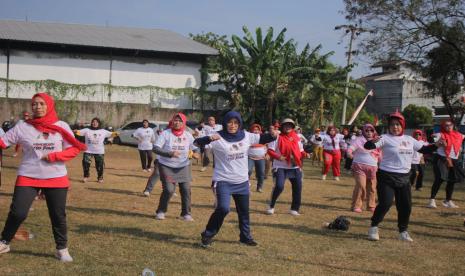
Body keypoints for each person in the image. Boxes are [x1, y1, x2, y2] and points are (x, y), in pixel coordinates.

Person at [0, 93, 86, 261]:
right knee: (18, 212)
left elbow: (74, 148)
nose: (37, 107)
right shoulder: (22, 126)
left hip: (56, 176)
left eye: (41, 104)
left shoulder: (61, 125)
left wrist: (54, 156)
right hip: (28, 175)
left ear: (49, 105)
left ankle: (61, 248)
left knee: (57, 214)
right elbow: (3, 142)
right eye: (34, 104)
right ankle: (4, 242)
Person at [195, 111, 277, 248]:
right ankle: (208, 234)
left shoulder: (246, 136)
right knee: (223, 208)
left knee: (244, 211)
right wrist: (208, 139)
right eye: (230, 122)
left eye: (236, 122)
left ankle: (245, 237)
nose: (232, 125)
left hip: (242, 182)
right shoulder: (217, 137)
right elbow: (197, 142)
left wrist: (273, 135)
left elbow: (263, 138)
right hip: (223, 181)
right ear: (225, 123)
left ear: (239, 124)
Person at [365, 111, 438, 242]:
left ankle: (403, 231)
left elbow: (424, 149)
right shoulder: (384, 138)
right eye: (392, 124)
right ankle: (374, 227)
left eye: (398, 124)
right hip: (386, 176)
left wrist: (437, 145)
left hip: (404, 177)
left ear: (402, 125)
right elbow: (369, 146)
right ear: (389, 126)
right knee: (385, 203)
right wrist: (371, 142)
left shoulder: (409, 140)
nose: (395, 127)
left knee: (405, 206)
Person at [153, 113, 200, 221]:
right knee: (169, 190)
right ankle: (161, 211)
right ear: (172, 121)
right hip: (166, 166)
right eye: (175, 120)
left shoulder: (188, 135)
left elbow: (195, 147)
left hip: (184, 166)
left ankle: (186, 213)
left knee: (186, 189)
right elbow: (155, 148)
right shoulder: (165, 134)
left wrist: (196, 153)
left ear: (184, 123)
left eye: (180, 121)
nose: (177, 122)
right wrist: (170, 153)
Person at [266, 118, 309, 216]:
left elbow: (301, 151)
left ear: (293, 127)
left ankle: (294, 209)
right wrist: (278, 157)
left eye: (290, 125)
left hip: (294, 166)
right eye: (286, 125)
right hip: (280, 166)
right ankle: (271, 205)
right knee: (279, 186)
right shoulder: (277, 137)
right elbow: (270, 150)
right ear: (282, 126)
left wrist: (305, 154)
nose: (288, 127)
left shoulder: (297, 137)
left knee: (298, 187)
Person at [428, 120, 465, 208]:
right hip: (441, 158)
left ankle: (448, 201)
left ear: (453, 126)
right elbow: (431, 139)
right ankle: (432, 200)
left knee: (452, 180)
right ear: (443, 126)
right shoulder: (440, 135)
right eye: (446, 125)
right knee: (440, 179)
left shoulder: (459, 135)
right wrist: (437, 141)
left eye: (450, 125)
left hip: (453, 160)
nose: (448, 127)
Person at [346, 124, 381, 213]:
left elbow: (380, 155)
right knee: (361, 186)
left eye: (371, 130)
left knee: (372, 188)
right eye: (367, 131)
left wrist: (382, 163)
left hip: (373, 168)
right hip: (359, 166)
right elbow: (350, 148)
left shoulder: (377, 141)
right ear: (363, 131)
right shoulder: (358, 140)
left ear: (374, 131)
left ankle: (371, 206)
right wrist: (349, 153)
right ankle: (356, 206)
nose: (369, 132)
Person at [75, 117, 115, 183]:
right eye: (93, 122)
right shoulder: (87, 130)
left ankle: (100, 177)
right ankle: (86, 176)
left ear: (98, 123)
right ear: (91, 123)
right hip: (88, 150)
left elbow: (111, 134)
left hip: (99, 151)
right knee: (85, 163)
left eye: (96, 122)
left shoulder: (103, 131)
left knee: (100, 165)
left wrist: (116, 134)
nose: (94, 123)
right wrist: (76, 131)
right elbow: (79, 132)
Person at [248, 124, 268, 193]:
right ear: (251, 130)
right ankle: (246, 186)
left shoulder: (263, 138)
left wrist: (266, 154)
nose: (256, 131)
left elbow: (267, 147)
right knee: (248, 171)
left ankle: (259, 187)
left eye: (257, 130)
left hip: (261, 158)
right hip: (250, 158)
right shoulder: (248, 138)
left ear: (260, 131)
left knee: (261, 173)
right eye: (254, 129)